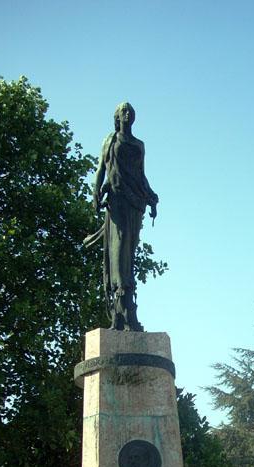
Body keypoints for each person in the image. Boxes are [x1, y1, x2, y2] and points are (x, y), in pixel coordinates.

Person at [84, 102, 158, 331]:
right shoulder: (110, 140)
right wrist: (95, 193)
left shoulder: (139, 145)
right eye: (123, 111)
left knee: (130, 252)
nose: (127, 114)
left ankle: (129, 308)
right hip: (116, 201)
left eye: (130, 111)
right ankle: (120, 307)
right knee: (118, 252)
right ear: (117, 116)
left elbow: (141, 174)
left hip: (135, 203)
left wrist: (152, 196)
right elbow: (100, 169)